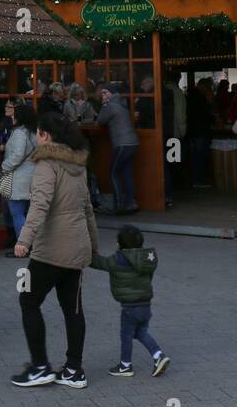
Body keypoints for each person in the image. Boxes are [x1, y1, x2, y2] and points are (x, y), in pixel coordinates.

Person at [12, 112, 99, 389]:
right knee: (72, 309)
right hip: (77, 248)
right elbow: (88, 209)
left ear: (46, 136)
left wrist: (23, 239)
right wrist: (93, 246)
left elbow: (40, 205)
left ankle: (40, 367)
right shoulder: (78, 165)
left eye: (37, 132)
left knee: (28, 301)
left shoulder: (46, 165)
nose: (36, 137)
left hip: (51, 249)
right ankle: (74, 370)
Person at [91, 224, 169, 378]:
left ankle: (125, 365)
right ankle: (158, 355)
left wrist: (86, 254)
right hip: (146, 305)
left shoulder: (118, 259)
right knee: (140, 332)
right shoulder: (147, 258)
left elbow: (99, 263)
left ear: (120, 244)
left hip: (130, 307)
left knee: (126, 335)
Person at [97, 84, 140, 214]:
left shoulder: (110, 106)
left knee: (113, 173)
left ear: (111, 93)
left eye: (105, 93)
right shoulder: (121, 103)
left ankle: (119, 205)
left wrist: (104, 105)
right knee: (126, 173)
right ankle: (130, 203)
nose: (102, 95)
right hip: (132, 142)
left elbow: (100, 121)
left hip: (122, 144)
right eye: (102, 93)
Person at [0, 102, 38, 247]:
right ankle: (32, 243)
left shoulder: (20, 133)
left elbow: (16, 156)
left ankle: (23, 245)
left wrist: (4, 166)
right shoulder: (34, 132)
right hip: (32, 175)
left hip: (19, 177)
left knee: (17, 212)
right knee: (28, 213)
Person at [162, 72, 187, 209]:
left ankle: (170, 191)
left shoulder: (163, 91)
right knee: (174, 162)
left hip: (164, 132)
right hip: (175, 133)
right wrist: (181, 131)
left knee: (167, 164)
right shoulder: (177, 92)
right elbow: (180, 114)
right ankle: (174, 190)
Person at [187, 77, 214, 189]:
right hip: (201, 131)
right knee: (200, 157)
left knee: (195, 157)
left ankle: (195, 179)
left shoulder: (191, 96)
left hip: (192, 130)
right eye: (207, 87)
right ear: (203, 86)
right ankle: (199, 180)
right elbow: (206, 113)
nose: (208, 89)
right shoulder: (200, 98)